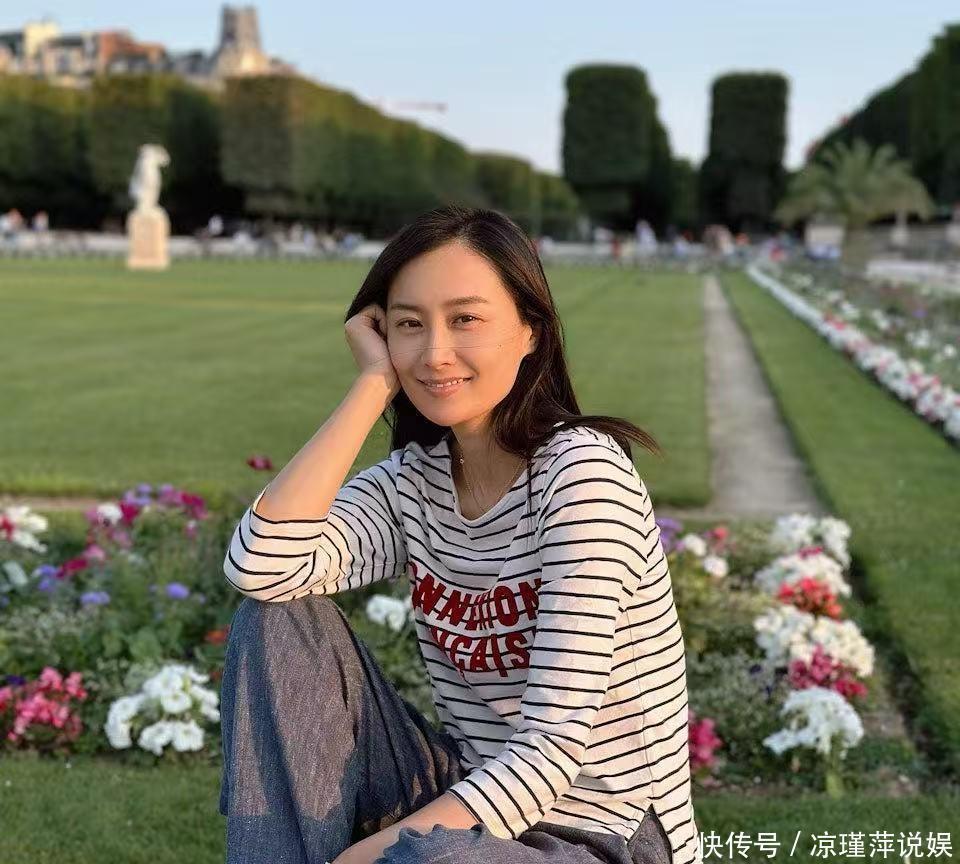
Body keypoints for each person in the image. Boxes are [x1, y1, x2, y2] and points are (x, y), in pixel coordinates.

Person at [219, 204, 702, 864]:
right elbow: (261, 569)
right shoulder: (414, 482)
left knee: (431, 860)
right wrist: (372, 385)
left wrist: (360, 860)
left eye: (465, 319)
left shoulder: (581, 474)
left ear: (530, 330)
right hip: (467, 797)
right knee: (277, 620)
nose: (434, 353)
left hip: (606, 836)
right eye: (409, 325)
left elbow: (551, 750)